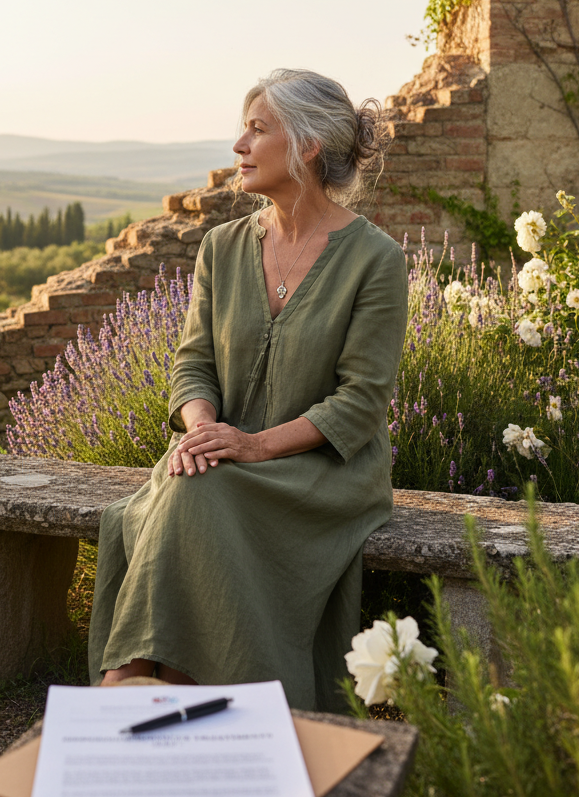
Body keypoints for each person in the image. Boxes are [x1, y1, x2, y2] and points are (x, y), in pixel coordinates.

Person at [87, 68, 409, 712]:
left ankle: (131, 699)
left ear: (309, 146)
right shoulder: (222, 247)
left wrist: (255, 446)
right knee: (193, 486)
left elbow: (361, 402)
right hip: (223, 454)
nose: (238, 146)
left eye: (257, 130)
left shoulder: (376, 260)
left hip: (318, 470)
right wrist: (205, 428)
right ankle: (169, 708)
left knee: (192, 493)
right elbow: (193, 364)